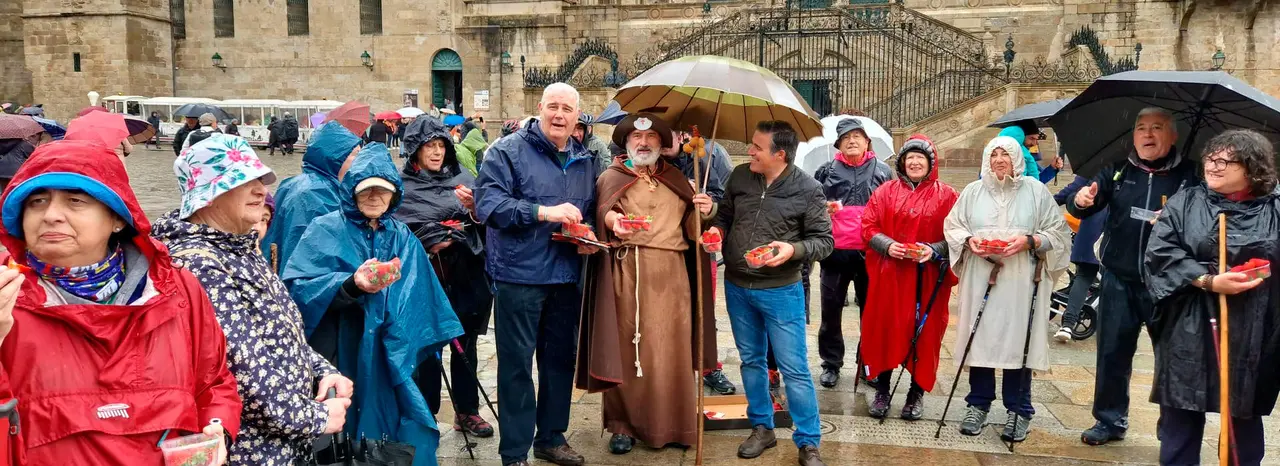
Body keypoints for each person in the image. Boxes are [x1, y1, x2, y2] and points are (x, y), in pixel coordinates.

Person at [0, 140, 242, 464]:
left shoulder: (177, 289)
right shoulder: (7, 301)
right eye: (37, 202)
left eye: (75, 201)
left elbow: (213, 381)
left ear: (117, 219)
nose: (51, 215)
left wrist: (217, 427)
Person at [152, 135, 352, 465]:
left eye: (260, 179)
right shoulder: (200, 263)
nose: (262, 190)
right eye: (245, 181)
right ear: (208, 195)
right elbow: (244, 376)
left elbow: (280, 336)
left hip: (283, 444)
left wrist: (322, 370)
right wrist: (317, 418)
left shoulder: (239, 247)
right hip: (251, 452)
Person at [283, 143, 464, 465]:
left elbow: (422, 293)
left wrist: (404, 329)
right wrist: (351, 284)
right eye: (366, 191)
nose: (374, 198)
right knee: (346, 420)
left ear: (394, 195)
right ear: (352, 192)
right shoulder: (325, 228)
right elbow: (298, 288)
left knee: (396, 417)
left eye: (382, 191)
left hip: (391, 350)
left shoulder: (402, 235)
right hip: (342, 345)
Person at [577, 113, 717, 454]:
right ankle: (623, 426)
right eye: (636, 139)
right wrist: (613, 221)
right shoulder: (611, 177)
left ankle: (675, 425)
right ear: (626, 144)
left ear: (661, 144)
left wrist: (705, 209)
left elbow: (693, 232)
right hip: (629, 274)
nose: (643, 144)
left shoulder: (678, 179)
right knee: (627, 350)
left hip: (673, 278)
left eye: (651, 138)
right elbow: (602, 213)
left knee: (672, 353)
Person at [473, 82, 597, 466]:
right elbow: (489, 205)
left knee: (560, 362)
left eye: (567, 110)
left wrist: (588, 233)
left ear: (578, 117)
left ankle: (551, 437)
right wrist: (543, 212)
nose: (559, 115)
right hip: (519, 276)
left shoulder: (584, 159)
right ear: (539, 109)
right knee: (515, 366)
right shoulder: (507, 151)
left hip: (564, 276)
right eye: (553, 107)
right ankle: (514, 452)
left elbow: (586, 210)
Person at [1144, 129, 1279, 465]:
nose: (1214, 166)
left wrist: (1256, 272)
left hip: (1253, 327)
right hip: (1190, 322)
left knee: (1243, 417)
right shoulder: (1185, 202)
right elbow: (1159, 253)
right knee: (1181, 415)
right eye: (1211, 158)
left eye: (1225, 160)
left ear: (1251, 168)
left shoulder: (1275, 209)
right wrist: (1207, 279)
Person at [1067, 107, 1199, 446]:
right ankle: (1109, 420)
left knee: (1172, 361)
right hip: (1118, 278)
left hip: (1169, 284)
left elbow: (1207, 226)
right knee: (1112, 353)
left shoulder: (1191, 176)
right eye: (1141, 128)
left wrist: (1176, 219)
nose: (1147, 135)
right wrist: (1080, 201)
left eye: (1157, 128)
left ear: (1173, 136)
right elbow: (1083, 204)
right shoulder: (1117, 169)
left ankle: (1173, 430)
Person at [705, 120, 832, 466]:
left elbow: (824, 241)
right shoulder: (741, 176)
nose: (750, 152)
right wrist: (715, 228)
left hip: (781, 290)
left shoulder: (808, 189)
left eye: (757, 147)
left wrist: (792, 250)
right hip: (737, 286)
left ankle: (808, 441)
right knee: (751, 360)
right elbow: (726, 217)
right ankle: (762, 427)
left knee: (794, 369)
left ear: (780, 154)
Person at [942, 135, 1070, 442]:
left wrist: (1031, 241)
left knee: (1019, 341)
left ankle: (1018, 409)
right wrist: (969, 240)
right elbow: (953, 225)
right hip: (981, 276)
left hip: (1021, 280)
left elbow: (1058, 231)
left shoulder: (1036, 191)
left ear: (1017, 158)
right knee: (980, 338)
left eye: (1006, 154)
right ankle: (978, 404)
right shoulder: (973, 191)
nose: (1000, 159)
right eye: (994, 154)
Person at [395, 117, 495, 438]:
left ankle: (466, 411)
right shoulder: (403, 187)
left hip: (465, 275)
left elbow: (485, 220)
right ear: (416, 150)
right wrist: (430, 237)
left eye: (441, 146)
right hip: (427, 278)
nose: (437, 152)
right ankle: (425, 415)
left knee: (465, 343)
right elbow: (400, 230)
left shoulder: (463, 177)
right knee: (427, 349)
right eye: (430, 146)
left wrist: (473, 213)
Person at [860, 134, 958, 420]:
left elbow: (956, 234)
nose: (915, 162)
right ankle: (882, 389)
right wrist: (888, 245)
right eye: (910, 158)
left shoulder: (948, 195)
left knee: (924, 334)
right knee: (887, 330)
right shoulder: (885, 192)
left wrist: (933, 249)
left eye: (921, 158)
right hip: (891, 277)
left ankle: (916, 393)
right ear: (902, 162)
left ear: (931, 162)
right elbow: (868, 226)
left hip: (928, 279)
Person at [813, 117, 892, 388]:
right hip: (834, 253)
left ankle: (868, 364)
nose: (852, 141)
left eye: (857, 136)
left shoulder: (883, 171)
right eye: (846, 137)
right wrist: (824, 208)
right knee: (830, 312)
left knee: (870, 313)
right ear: (838, 144)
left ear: (867, 141)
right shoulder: (825, 171)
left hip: (872, 253)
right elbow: (812, 206)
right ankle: (831, 364)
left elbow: (892, 208)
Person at [661, 128, 736, 395]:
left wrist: (708, 202)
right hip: (661, 249)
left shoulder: (704, 159)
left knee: (702, 310)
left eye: (669, 133)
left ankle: (708, 367)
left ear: (681, 136)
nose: (663, 140)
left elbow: (723, 202)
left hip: (698, 247)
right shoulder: (646, 161)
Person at [260, 121, 362, 274]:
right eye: (356, 155)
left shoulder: (295, 183)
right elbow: (305, 252)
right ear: (335, 157)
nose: (360, 162)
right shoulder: (316, 194)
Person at [1052, 174, 1106, 343]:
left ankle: (1068, 324)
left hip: (1092, 230)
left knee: (1084, 276)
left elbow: (1072, 189)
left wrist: (1050, 202)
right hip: (1110, 234)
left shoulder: (1099, 166)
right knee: (1096, 277)